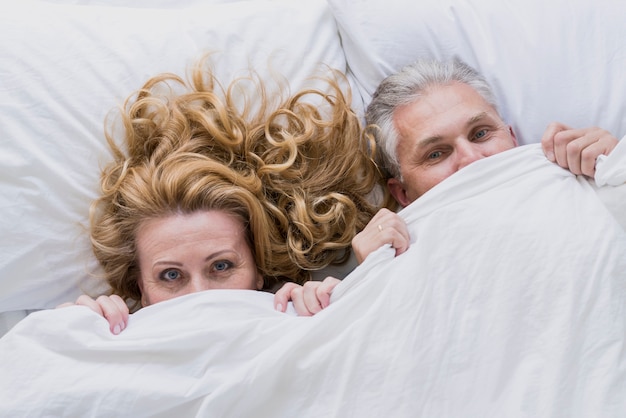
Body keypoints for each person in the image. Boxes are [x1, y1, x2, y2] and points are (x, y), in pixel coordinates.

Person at [60, 55, 388, 333]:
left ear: (258, 272)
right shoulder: (106, 341)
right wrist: (73, 339)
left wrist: (346, 308)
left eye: (221, 267)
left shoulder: (304, 321)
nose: (201, 297)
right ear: (142, 290)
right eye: (171, 275)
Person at [350, 57, 620, 263]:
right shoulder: (390, 259)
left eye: (480, 134)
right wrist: (368, 282)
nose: (471, 159)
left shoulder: (593, 179)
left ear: (512, 138)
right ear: (402, 194)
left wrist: (618, 169)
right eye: (435, 154)